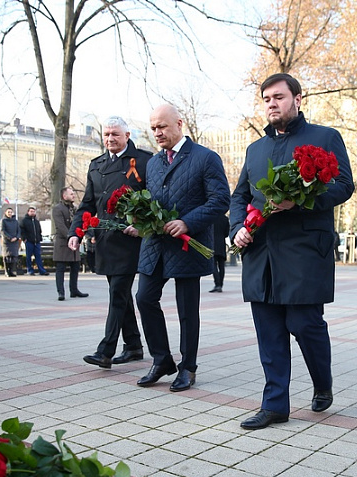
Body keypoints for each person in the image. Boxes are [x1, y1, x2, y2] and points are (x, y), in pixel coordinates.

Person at [230, 73, 354, 430]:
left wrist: (298, 201)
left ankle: (322, 382)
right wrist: (237, 228)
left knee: (304, 323)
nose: (272, 103)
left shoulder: (325, 137)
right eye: (267, 98)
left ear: (298, 99)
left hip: (304, 251)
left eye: (279, 97)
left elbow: (344, 185)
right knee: (268, 330)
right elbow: (240, 196)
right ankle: (274, 405)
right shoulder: (256, 150)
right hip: (261, 253)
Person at [134, 104, 230, 392]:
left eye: (161, 126)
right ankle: (162, 359)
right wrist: (140, 219)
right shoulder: (152, 163)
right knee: (144, 298)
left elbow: (220, 201)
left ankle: (188, 366)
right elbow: (153, 200)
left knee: (187, 309)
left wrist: (187, 222)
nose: (157, 133)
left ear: (179, 123)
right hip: (156, 244)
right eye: (153, 128)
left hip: (188, 244)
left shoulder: (205, 158)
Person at [70, 116, 151, 369]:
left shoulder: (144, 161)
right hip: (105, 239)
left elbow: (154, 198)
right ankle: (134, 346)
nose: (110, 139)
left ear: (127, 135)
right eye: (106, 134)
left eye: (115, 134)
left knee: (117, 293)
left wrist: (143, 225)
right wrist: (76, 231)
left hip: (130, 240)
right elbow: (87, 204)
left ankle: (105, 350)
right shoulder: (97, 165)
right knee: (121, 294)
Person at [53, 187, 86, 301]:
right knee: (60, 268)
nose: (73, 196)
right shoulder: (58, 209)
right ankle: (61, 292)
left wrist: (79, 236)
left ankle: (74, 290)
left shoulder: (75, 208)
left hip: (74, 241)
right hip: (63, 242)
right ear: (64, 196)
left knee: (75, 266)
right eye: (71, 194)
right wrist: (71, 236)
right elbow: (60, 225)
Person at [21, 206, 48, 275]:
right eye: (31, 211)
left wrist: (39, 238)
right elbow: (22, 231)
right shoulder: (24, 221)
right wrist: (24, 239)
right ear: (28, 212)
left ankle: (41, 270)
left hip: (37, 242)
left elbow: (39, 231)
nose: (32, 213)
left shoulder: (36, 221)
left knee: (38, 256)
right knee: (28, 256)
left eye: (33, 211)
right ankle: (30, 270)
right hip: (29, 241)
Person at [210, 214, 229, 293]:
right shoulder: (225, 219)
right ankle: (220, 285)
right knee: (221, 266)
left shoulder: (211, 218)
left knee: (213, 265)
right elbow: (226, 233)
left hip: (212, 243)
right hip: (221, 244)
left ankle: (217, 284)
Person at [1, 206, 21, 277]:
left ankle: (12, 271)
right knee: (7, 257)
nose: (10, 213)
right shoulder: (3, 221)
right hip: (7, 242)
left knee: (14, 257)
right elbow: (3, 231)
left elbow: (19, 230)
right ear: (5, 213)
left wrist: (17, 237)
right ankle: (7, 271)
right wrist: (9, 238)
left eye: (11, 212)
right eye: (8, 212)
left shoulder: (15, 221)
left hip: (15, 241)